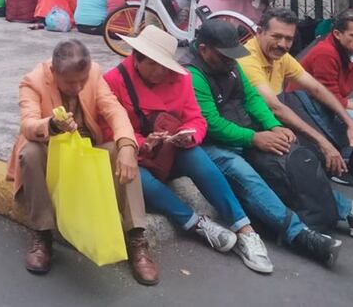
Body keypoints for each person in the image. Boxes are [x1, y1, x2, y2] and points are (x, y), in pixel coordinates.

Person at [188, 20, 353, 266]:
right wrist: (255, 138)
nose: (229, 61)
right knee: (245, 174)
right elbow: (212, 123)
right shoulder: (193, 75)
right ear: (204, 50)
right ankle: (298, 234)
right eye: (224, 56)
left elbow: (253, 99)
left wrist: (274, 126)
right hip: (212, 144)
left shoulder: (231, 65)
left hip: (244, 131)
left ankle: (350, 211)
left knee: (293, 155)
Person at [104, 27, 273, 273]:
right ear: (136, 57)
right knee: (138, 178)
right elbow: (107, 129)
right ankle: (196, 224)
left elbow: (196, 119)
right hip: (138, 154)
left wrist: (188, 136)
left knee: (198, 157)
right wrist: (142, 142)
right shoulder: (113, 81)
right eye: (153, 64)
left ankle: (244, 229)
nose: (161, 71)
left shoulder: (181, 78)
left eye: (164, 65)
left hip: (171, 150)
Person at [6, 39, 156, 284]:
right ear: (54, 72)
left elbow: (114, 111)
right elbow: (28, 124)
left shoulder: (94, 74)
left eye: (81, 81)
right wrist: (52, 125)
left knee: (122, 152)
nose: (77, 87)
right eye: (69, 82)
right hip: (50, 152)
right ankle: (42, 234)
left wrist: (128, 145)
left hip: (86, 151)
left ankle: (137, 239)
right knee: (30, 152)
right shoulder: (32, 81)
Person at [237, 8, 353, 181]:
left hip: (277, 112)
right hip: (255, 123)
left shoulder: (281, 56)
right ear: (260, 32)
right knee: (306, 154)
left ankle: (338, 164)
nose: (283, 44)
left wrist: (349, 123)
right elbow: (275, 108)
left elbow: (317, 88)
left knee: (348, 117)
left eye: (289, 39)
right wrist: (323, 143)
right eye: (276, 36)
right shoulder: (248, 59)